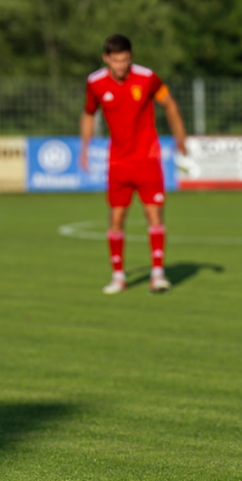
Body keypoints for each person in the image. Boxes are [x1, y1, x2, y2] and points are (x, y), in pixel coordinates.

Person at [81, 34, 187, 295]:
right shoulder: (95, 83)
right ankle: (118, 277)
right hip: (118, 162)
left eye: (125, 60)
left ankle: (158, 275)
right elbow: (88, 113)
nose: (121, 66)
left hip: (148, 159)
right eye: (116, 61)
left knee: (154, 215)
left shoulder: (147, 77)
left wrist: (180, 137)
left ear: (131, 57)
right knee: (116, 219)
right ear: (106, 59)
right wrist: (84, 147)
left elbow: (169, 104)